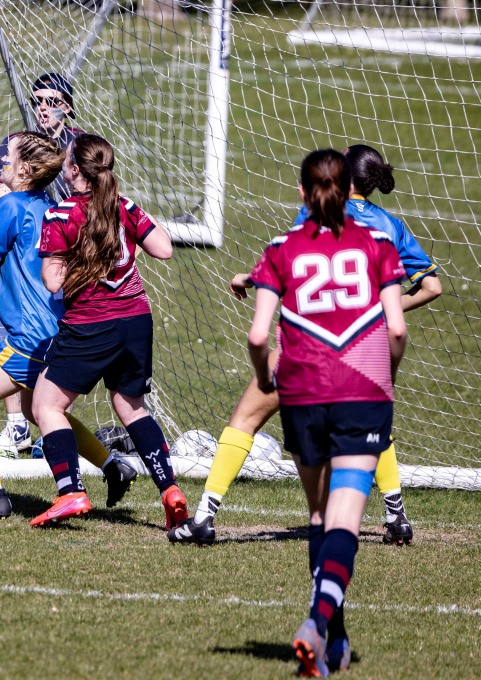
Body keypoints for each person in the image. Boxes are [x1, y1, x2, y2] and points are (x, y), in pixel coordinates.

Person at [170, 143, 442, 548]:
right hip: (360, 349)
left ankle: (204, 518)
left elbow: (294, 263)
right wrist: (381, 309)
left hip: (305, 348)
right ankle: (396, 516)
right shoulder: (389, 228)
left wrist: (248, 278)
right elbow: (432, 286)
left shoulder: (314, 214)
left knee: (245, 419)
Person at [241, 149, 408, 677]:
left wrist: (265, 377)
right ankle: (317, 622)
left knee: (319, 516)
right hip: (363, 392)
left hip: (303, 392)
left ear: (302, 192)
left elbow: (259, 336)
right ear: (349, 190)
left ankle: (334, 640)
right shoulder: (379, 243)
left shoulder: (279, 248)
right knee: (345, 521)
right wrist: (386, 375)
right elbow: (396, 329)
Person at [0, 132, 137, 518]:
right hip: (56, 328)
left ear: (25, 169)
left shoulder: (11, 205)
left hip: (26, 336)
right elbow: (0, 245)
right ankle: (112, 466)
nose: (2, 159)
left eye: (9, 155)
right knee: (42, 411)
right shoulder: (49, 205)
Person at [31, 133, 186, 529]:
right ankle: (170, 489)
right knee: (132, 407)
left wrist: (79, 262)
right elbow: (164, 248)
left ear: (73, 171)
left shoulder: (61, 215)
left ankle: (70, 491)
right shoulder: (124, 206)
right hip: (135, 320)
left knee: (47, 406)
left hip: (90, 323)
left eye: (66, 161)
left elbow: (52, 281)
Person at [0, 72, 85, 454]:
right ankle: (16, 426)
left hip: (63, 255)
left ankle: (51, 429)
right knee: (8, 332)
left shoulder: (79, 145)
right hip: (22, 253)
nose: (43, 108)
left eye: (52, 101)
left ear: (68, 107)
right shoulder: (17, 144)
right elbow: (0, 192)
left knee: (60, 342)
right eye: (38, 101)